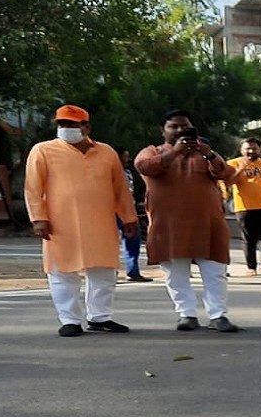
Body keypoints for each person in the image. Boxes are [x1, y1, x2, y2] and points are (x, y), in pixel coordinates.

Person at [24, 105, 138, 337]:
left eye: (72, 124)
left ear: (87, 126)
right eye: (62, 124)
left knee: (104, 271)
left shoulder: (106, 152)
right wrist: (38, 218)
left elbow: (120, 190)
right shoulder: (43, 150)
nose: (66, 128)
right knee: (62, 272)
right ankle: (70, 320)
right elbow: (32, 188)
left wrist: (129, 217)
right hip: (60, 224)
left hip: (101, 223)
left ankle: (100, 317)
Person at [134, 109, 239, 333]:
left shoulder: (204, 153)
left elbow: (227, 174)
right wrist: (175, 153)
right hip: (169, 226)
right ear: (163, 130)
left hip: (208, 225)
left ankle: (218, 315)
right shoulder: (152, 151)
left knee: (215, 273)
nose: (181, 130)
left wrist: (208, 154)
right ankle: (186, 314)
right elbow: (143, 167)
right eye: (175, 126)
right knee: (176, 275)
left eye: (186, 127)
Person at [223, 137, 261, 276]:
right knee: (249, 238)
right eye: (248, 148)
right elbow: (229, 183)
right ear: (241, 150)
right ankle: (251, 267)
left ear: (260, 150)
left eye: (254, 148)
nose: (251, 151)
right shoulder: (233, 163)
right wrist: (241, 168)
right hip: (245, 207)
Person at [115, 146, 151, 282]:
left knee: (133, 240)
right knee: (112, 243)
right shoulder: (107, 173)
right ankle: (111, 272)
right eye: (125, 156)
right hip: (112, 211)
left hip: (129, 210)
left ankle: (133, 271)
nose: (128, 159)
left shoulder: (128, 173)